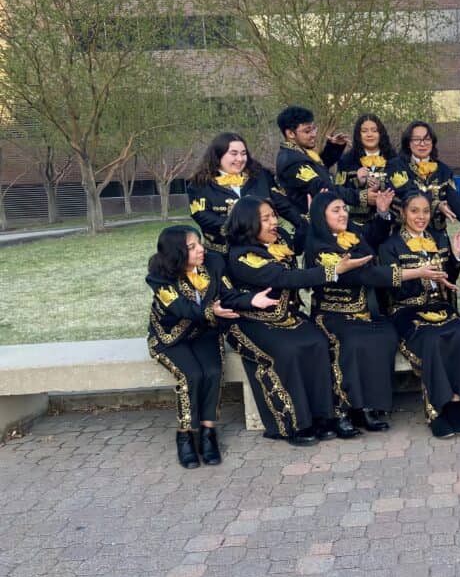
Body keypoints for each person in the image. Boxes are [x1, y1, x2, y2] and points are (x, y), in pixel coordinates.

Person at [224, 195, 373, 445]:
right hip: (251, 322)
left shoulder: (279, 238)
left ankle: (322, 417)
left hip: (287, 317)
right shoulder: (242, 256)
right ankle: (292, 424)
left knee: (317, 342)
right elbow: (285, 278)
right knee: (288, 351)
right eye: (266, 218)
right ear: (249, 223)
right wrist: (334, 270)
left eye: (274, 215)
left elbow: (303, 232)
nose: (274, 222)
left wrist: (305, 210)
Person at [306, 191, 451, 432]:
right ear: (321, 216)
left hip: (364, 312)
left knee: (385, 336)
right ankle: (342, 410)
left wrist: (383, 213)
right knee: (351, 342)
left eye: (344, 208)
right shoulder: (319, 247)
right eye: (335, 210)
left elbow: (372, 238)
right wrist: (416, 272)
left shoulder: (353, 236)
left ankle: (367, 408)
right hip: (333, 314)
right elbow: (364, 274)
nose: (343, 213)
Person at [146, 225, 274, 468]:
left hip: (204, 334)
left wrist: (251, 300)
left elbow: (227, 294)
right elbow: (181, 309)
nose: (201, 249)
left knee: (213, 373)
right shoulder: (158, 277)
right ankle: (185, 435)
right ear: (176, 253)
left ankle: (208, 434)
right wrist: (209, 311)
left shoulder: (213, 263)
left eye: (199, 243)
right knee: (191, 376)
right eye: (192, 247)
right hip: (170, 339)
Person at [377, 193, 460, 438]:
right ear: (403, 213)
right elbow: (392, 288)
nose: (420, 217)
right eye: (414, 211)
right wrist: (420, 274)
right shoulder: (389, 246)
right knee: (432, 340)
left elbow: (449, 279)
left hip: (439, 306)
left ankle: (457, 403)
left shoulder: (439, 238)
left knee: (459, 334)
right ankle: (438, 410)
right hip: (406, 309)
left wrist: (455, 256)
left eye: (425, 211)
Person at [187, 132, 303, 257]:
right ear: (218, 155)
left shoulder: (261, 176)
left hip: (265, 251)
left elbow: (283, 205)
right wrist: (245, 226)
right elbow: (202, 216)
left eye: (243, 153)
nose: (240, 159)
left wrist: (304, 222)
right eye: (234, 154)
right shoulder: (200, 184)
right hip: (223, 255)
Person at [385, 120, 460, 235]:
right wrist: (436, 205)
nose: (422, 144)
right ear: (408, 143)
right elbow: (407, 192)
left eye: (427, 139)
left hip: (437, 234)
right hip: (405, 234)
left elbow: (455, 200)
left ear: (432, 142)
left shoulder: (444, 170)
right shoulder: (395, 166)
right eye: (417, 139)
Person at [275, 105, 362, 216]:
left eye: (313, 129)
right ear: (291, 134)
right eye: (307, 131)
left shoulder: (300, 152)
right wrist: (361, 196)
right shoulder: (292, 161)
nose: (314, 134)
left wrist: (334, 147)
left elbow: (319, 168)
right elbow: (321, 186)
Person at [333, 113, 396, 226]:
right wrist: (358, 182)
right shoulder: (346, 160)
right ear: (358, 134)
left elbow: (402, 190)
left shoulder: (394, 159)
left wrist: (382, 186)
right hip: (355, 224)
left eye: (374, 130)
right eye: (364, 131)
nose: (369, 134)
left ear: (380, 133)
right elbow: (339, 192)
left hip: (389, 223)